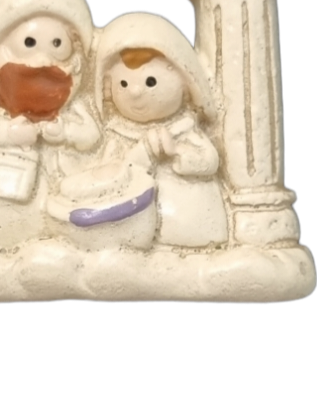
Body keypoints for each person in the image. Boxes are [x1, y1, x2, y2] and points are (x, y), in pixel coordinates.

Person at [0, 0, 99, 247]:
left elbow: (91, 135)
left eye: (57, 44)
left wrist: (65, 132)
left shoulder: (70, 103)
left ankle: (43, 238)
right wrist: (8, 132)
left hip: (53, 181)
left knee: (47, 217)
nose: (43, 58)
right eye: (29, 43)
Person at [91, 12, 228, 248]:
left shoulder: (185, 128)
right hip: (137, 222)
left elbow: (209, 161)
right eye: (123, 84)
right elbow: (110, 174)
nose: (135, 92)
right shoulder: (118, 134)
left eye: (150, 82)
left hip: (189, 216)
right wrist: (140, 155)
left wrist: (176, 152)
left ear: (184, 81)